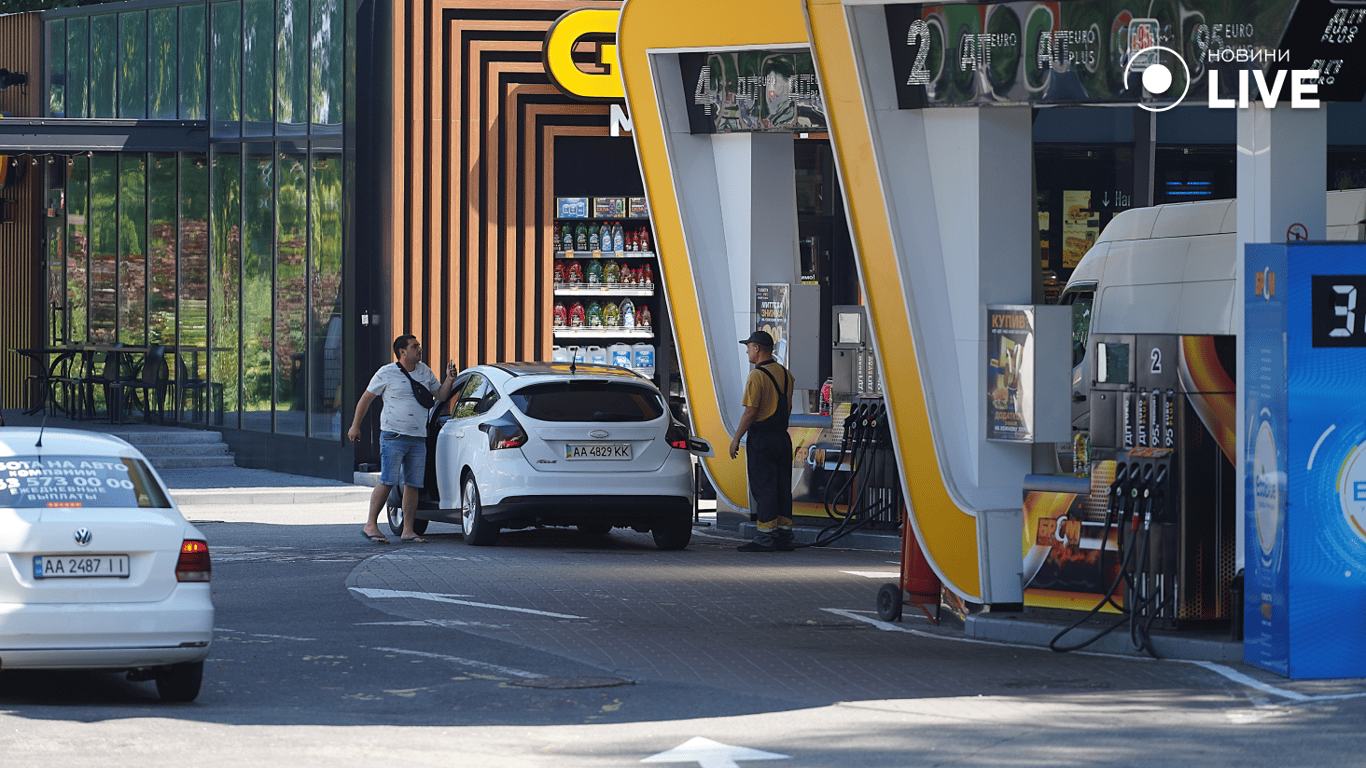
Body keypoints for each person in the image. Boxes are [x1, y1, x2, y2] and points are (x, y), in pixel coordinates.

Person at [349, 334, 456, 544]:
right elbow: (366, 399)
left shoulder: (424, 371)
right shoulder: (386, 373)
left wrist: (450, 379)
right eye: (415, 346)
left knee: (413, 484)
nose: (420, 349)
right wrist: (355, 425)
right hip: (393, 436)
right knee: (388, 480)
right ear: (402, 353)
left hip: (418, 438)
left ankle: (408, 529)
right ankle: (370, 524)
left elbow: (441, 396)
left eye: (419, 346)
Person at [728, 330, 796, 552]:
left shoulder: (756, 377)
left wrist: (736, 439)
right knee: (782, 487)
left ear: (757, 349)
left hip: (762, 439)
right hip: (782, 438)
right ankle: (784, 537)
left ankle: (765, 538)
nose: (747, 351)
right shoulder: (786, 374)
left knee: (764, 488)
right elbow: (788, 407)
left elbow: (750, 412)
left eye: (748, 347)